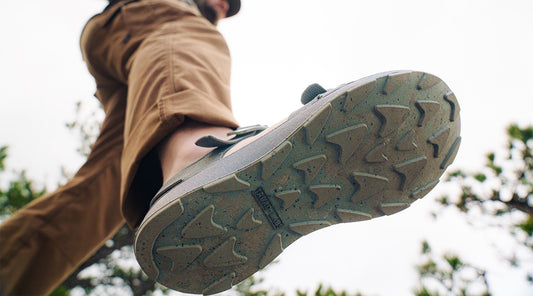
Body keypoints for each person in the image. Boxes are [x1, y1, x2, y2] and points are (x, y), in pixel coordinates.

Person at [0, 0, 461, 295]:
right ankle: (197, 154)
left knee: (98, 196)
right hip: (139, 17)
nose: (223, 5)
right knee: (190, 33)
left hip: (127, 65)